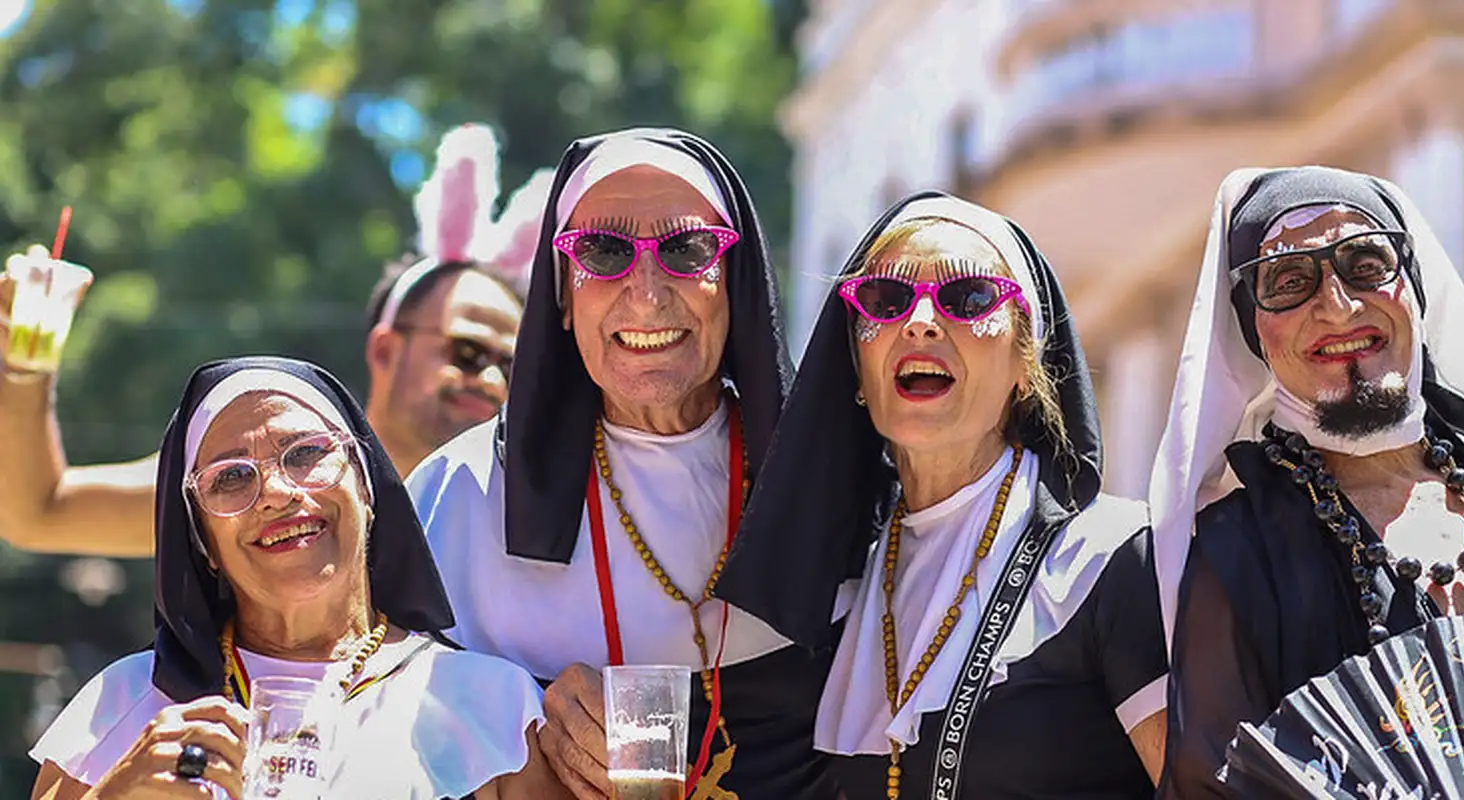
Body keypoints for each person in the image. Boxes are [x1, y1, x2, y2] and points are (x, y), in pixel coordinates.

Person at [409, 127, 842, 800]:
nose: (646, 294)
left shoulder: (830, 487)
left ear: (737, 281)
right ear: (560, 293)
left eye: (688, 249)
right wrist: (508, 713)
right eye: (603, 251)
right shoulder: (454, 497)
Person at [1152, 166, 1464, 797]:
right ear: (1255, 330)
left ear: (1413, 289)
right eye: (1289, 281)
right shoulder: (1237, 555)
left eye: (1365, 264)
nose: (1336, 305)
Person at [716, 192, 1167, 799]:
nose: (921, 321)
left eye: (968, 298)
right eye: (885, 300)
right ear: (856, 363)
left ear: (1024, 366)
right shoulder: (846, 586)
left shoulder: (1113, 559)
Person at [0, 123, 541, 556]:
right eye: (467, 353)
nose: (490, 381)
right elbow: (41, 513)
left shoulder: (534, 524)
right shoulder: (269, 472)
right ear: (385, 349)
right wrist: (24, 361)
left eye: (510, 368)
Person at [28, 356, 548, 799]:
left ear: (367, 489)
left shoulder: (491, 705)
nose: (277, 492)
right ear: (202, 542)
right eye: (231, 477)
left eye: (305, 453)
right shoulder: (121, 703)